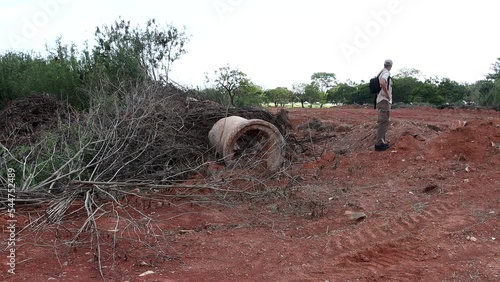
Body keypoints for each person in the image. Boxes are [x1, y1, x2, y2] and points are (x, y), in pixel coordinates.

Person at [375, 59, 393, 151]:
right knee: (384, 122)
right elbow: (382, 82)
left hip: (380, 100)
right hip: (384, 100)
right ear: (391, 66)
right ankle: (379, 144)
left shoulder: (381, 72)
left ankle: (381, 141)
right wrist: (387, 94)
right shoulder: (386, 73)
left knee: (383, 122)